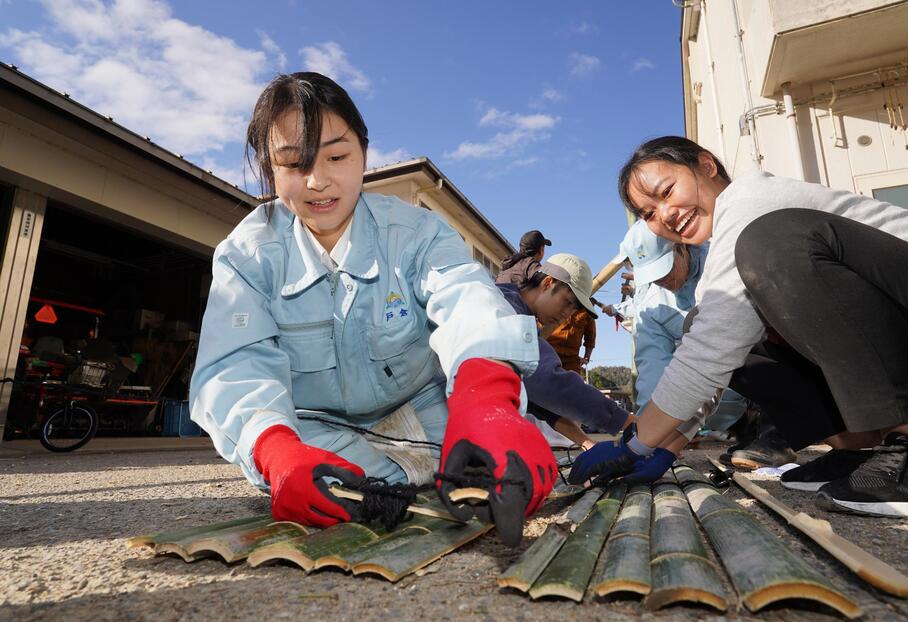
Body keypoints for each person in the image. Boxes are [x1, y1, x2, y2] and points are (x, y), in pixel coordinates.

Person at [189, 72, 556, 546]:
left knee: (494, 455)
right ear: (269, 169)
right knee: (313, 477)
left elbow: (469, 303)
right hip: (318, 430)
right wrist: (277, 452)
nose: (317, 180)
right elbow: (237, 366)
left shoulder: (418, 233)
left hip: (429, 412)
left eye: (337, 156)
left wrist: (487, 402)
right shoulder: (246, 255)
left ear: (363, 151)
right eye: (292, 164)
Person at [575, 135, 908, 517]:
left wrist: (635, 445)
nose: (664, 215)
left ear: (706, 167)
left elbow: (711, 350)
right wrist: (666, 446)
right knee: (711, 321)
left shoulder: (752, 204)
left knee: (771, 244)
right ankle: (858, 450)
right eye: (648, 213)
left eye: (666, 192)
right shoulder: (724, 244)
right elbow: (712, 353)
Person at [599, 220, 750, 445]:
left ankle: (764, 423)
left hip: (745, 366)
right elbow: (652, 371)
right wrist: (647, 433)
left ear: (683, 247)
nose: (663, 281)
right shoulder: (651, 307)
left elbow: (723, 350)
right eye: (653, 277)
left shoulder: (722, 266)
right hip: (707, 398)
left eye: (665, 269)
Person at [496, 254, 632, 443]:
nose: (567, 315)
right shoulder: (506, 311)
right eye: (567, 302)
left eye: (574, 309)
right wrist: (626, 421)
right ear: (547, 283)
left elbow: (535, 399)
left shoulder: (508, 303)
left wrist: (584, 442)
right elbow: (548, 382)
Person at [546, 307, 596, 375]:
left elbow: (591, 337)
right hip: (550, 355)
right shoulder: (553, 303)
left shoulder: (588, 312)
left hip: (572, 359)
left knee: (573, 384)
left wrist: (586, 358)